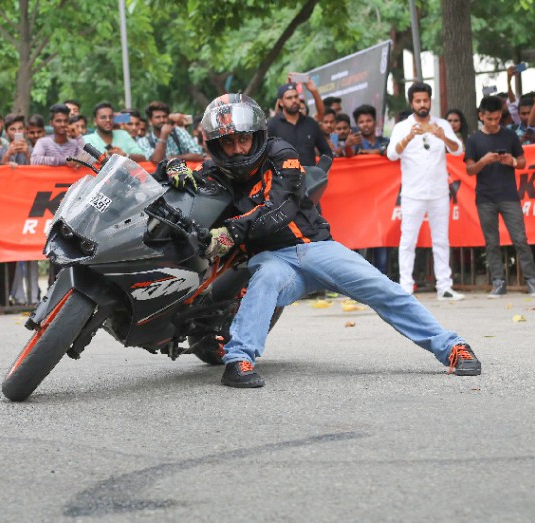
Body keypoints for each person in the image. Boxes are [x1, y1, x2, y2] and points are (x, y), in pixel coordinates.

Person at [191, 93, 480, 388]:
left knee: (383, 289)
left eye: (244, 139)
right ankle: (238, 360)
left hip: (318, 249)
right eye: (228, 142)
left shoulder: (281, 153)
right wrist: (171, 170)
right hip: (273, 259)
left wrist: (234, 232)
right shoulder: (214, 172)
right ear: (216, 145)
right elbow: (179, 186)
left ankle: (452, 347)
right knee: (264, 280)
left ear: (257, 136)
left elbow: (281, 207)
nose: (238, 149)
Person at [387, 82, 465, 300]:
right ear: (411, 103)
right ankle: (405, 287)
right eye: (418, 101)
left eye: (425, 100)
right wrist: (409, 136)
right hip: (413, 193)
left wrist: (444, 137)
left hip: (439, 191)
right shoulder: (402, 127)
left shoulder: (441, 124)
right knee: (408, 240)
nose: (422, 104)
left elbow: (458, 150)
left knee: (441, 240)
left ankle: (444, 287)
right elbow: (392, 154)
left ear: (430, 101)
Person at [464, 96, 535, 298]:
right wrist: (483, 161)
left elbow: (523, 161)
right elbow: (470, 169)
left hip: (509, 195)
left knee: (520, 239)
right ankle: (498, 282)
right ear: (481, 116)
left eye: (497, 118)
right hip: (485, 197)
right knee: (491, 243)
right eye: (489, 119)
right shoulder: (473, 139)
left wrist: (512, 162)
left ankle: (532, 282)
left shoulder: (509, 135)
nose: (493, 123)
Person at [268, 83, 332, 166]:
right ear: (281, 102)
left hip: (309, 177)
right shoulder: (272, 125)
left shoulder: (311, 123)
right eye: (289, 98)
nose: (294, 100)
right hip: (283, 177)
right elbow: (265, 156)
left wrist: (320, 172)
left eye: (296, 96)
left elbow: (326, 151)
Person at [138, 101, 204, 163]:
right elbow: (156, 159)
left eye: (164, 117)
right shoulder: (144, 141)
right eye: (157, 117)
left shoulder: (179, 132)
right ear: (150, 121)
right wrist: (163, 135)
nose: (162, 120)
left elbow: (199, 155)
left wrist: (175, 157)